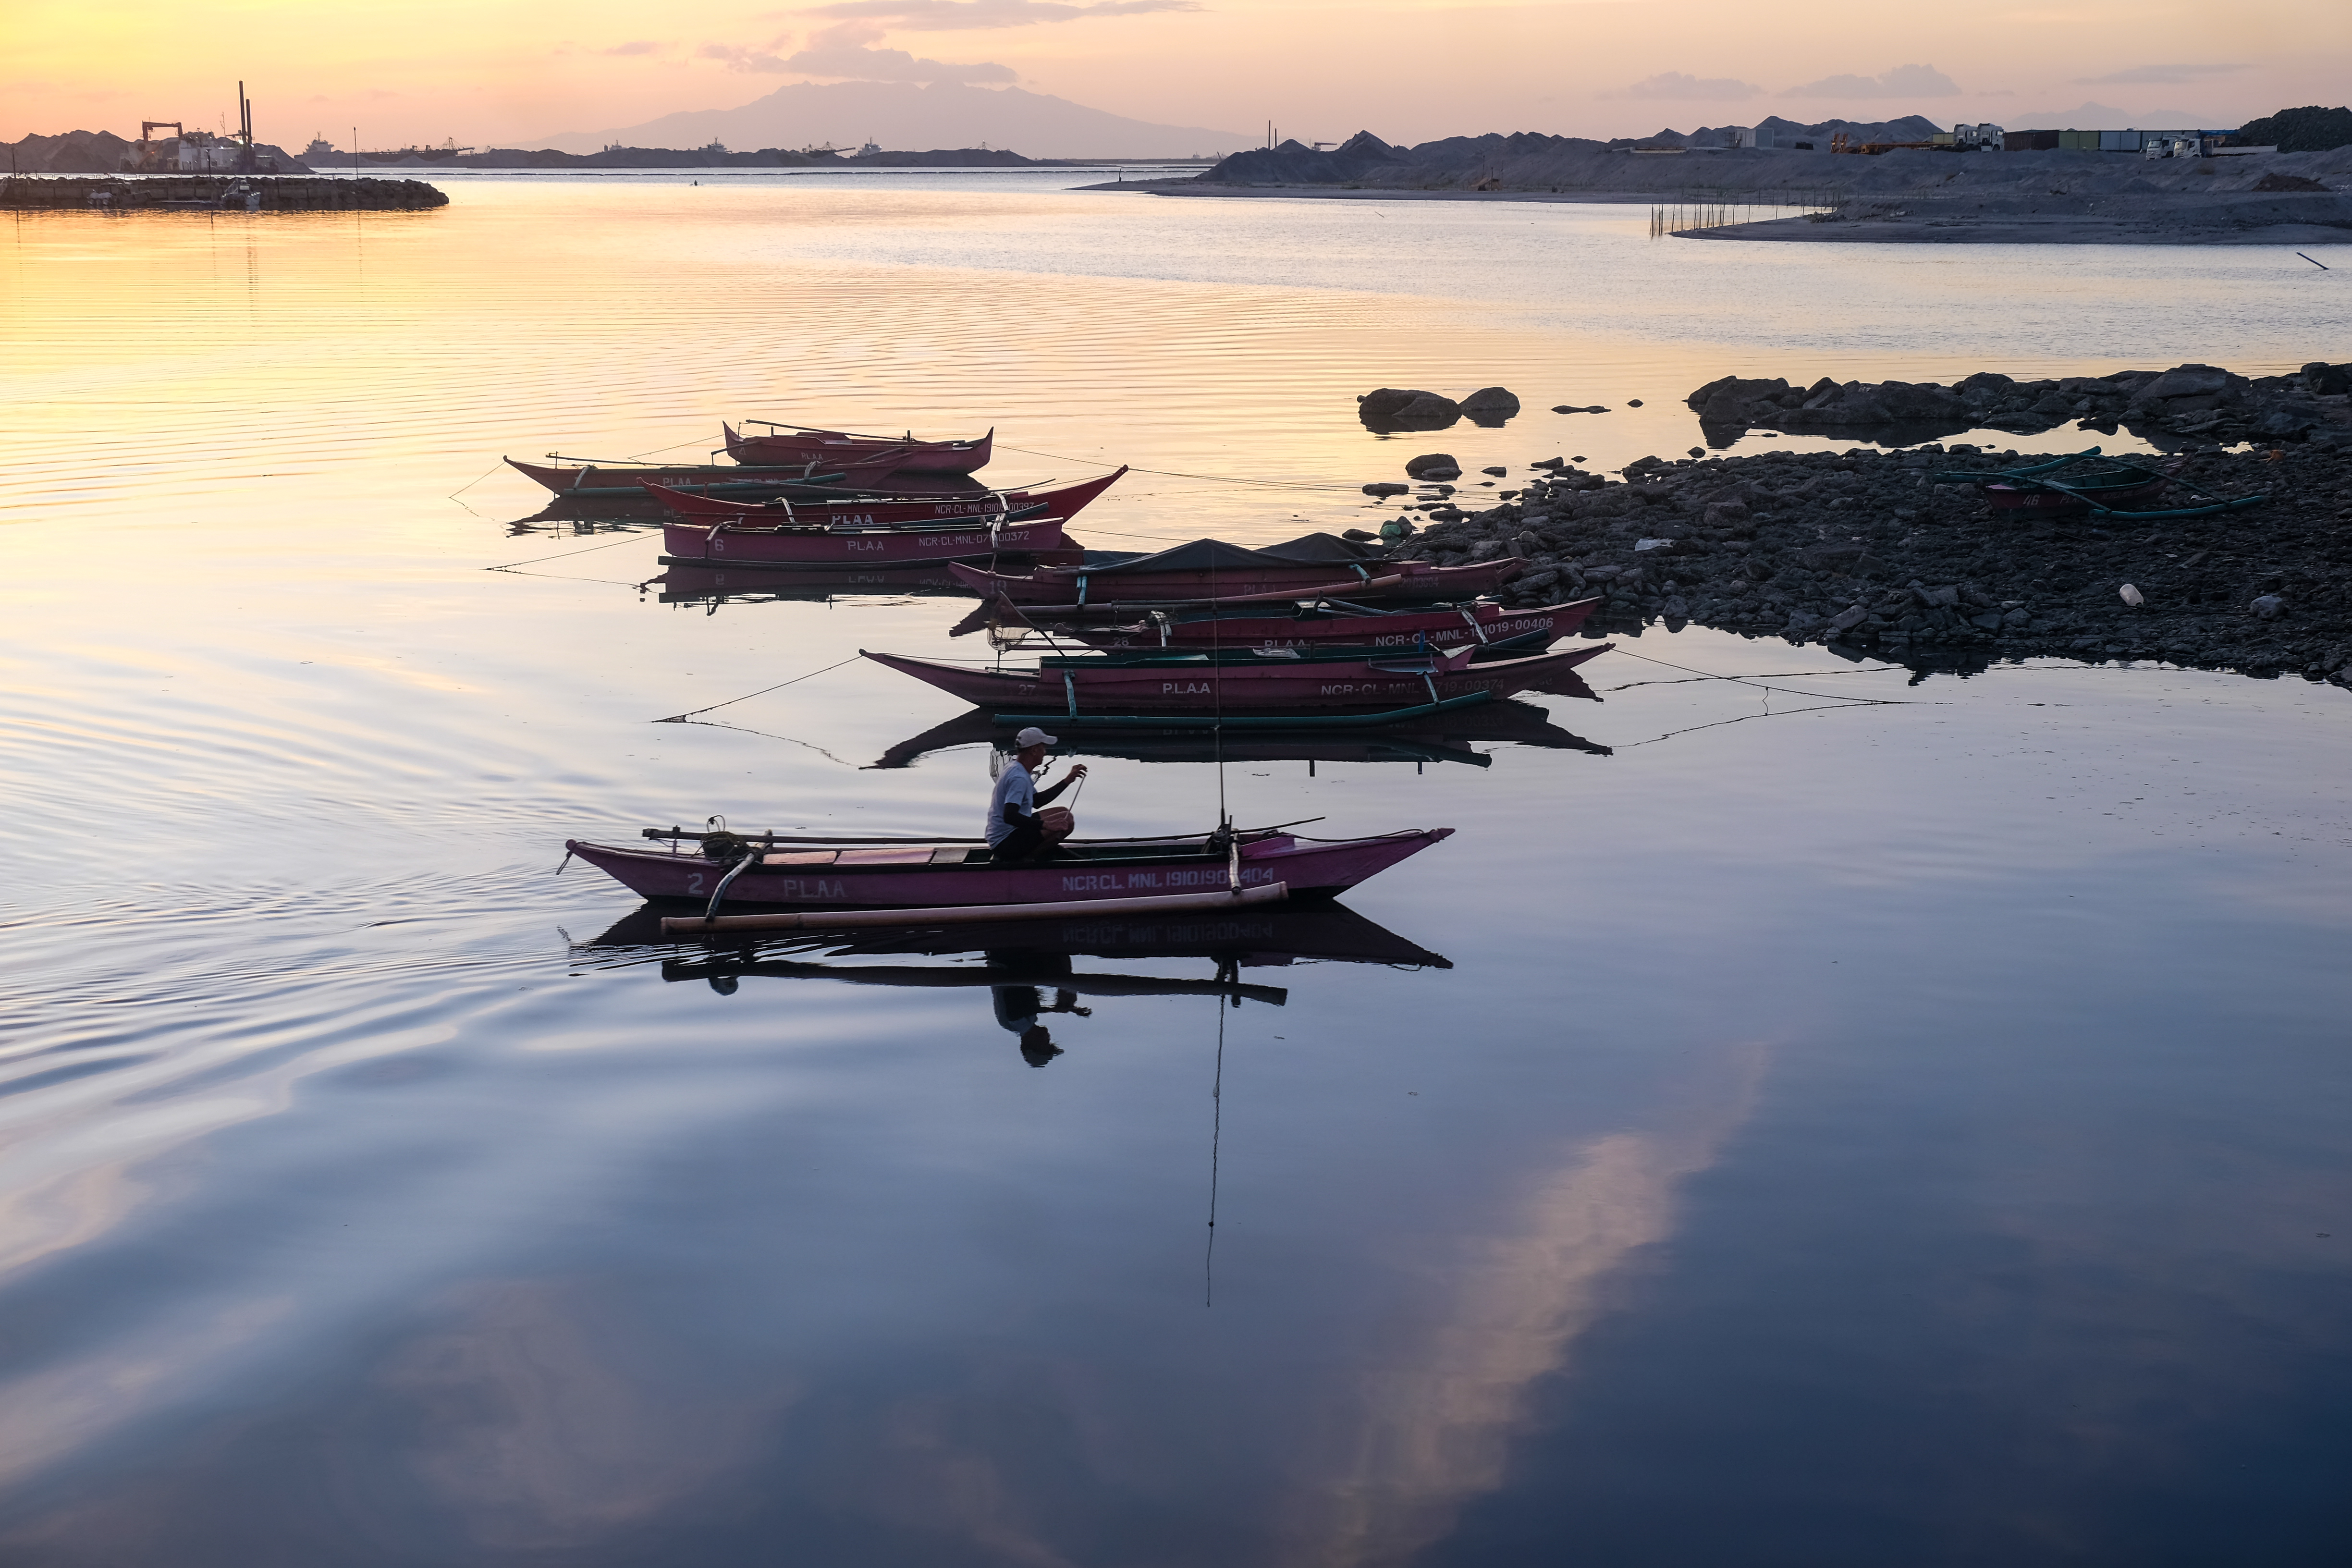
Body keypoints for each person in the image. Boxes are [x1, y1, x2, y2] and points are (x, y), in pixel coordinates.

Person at [986, 726, 1087, 861]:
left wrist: (1067, 781)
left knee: (1064, 813)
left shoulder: (1017, 767)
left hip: (1008, 832)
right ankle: (1028, 859)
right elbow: (1009, 816)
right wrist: (1046, 825)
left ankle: (1034, 852)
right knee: (1067, 822)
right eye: (1043, 747)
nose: (1045, 752)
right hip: (1005, 842)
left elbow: (1037, 801)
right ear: (1034, 750)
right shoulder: (1019, 778)